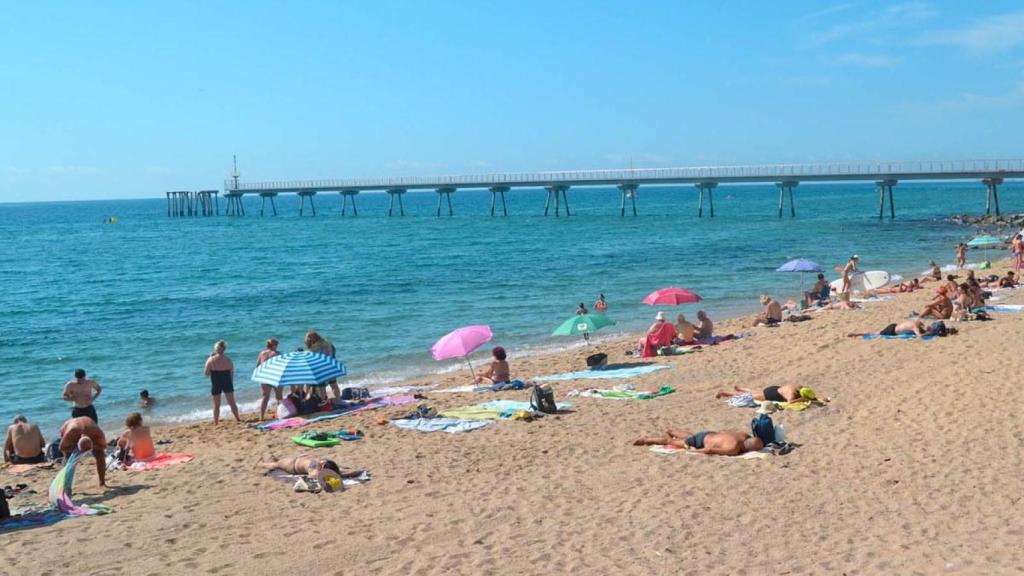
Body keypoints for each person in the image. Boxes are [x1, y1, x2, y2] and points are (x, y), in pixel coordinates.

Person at [258, 455, 363, 491]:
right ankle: (260, 464)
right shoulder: (315, 471)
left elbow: (344, 472)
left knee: (276, 463)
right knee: (274, 465)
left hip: (299, 459)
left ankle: (268, 459)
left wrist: (350, 473)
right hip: (292, 464)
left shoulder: (322, 464)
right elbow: (312, 477)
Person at [632, 429, 763, 456]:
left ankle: (672, 431)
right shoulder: (732, 448)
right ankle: (646, 440)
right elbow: (709, 450)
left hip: (709, 434)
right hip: (700, 442)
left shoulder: (743, 434)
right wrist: (694, 450)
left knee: (691, 436)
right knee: (670, 441)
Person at [58, 416, 107, 488]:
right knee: (67, 457)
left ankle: (102, 482)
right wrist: (74, 450)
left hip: (89, 425)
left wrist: (93, 447)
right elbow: (61, 448)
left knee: (100, 454)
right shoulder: (70, 434)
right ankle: (65, 483)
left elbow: (104, 446)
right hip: (68, 427)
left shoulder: (98, 433)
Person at [204, 340, 240, 424]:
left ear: (216, 349)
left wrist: (209, 358)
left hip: (216, 382)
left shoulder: (211, 359)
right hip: (227, 381)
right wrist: (231, 382)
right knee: (232, 402)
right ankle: (237, 418)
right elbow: (231, 373)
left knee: (216, 405)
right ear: (224, 349)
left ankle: (216, 422)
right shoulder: (228, 360)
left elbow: (206, 373)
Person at [305, 331, 341, 399]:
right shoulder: (328, 343)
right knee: (333, 385)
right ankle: (338, 400)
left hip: (321, 369)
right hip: (330, 366)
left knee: (322, 387)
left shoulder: (312, 349)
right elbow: (333, 353)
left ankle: (323, 402)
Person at [256, 338, 282, 420]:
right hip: (275, 377)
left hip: (264, 377)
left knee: (265, 397)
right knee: (279, 397)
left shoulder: (262, 353)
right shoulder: (277, 354)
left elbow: (257, 366)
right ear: (274, 345)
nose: (277, 347)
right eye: (276, 345)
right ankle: (279, 414)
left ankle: (262, 416)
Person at [716, 383, 805, 403]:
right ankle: (724, 392)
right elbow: (790, 402)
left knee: (755, 392)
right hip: (772, 394)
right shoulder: (791, 394)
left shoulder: (797, 386)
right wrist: (802, 399)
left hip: (774, 388)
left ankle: (740, 388)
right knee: (747, 396)